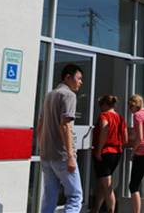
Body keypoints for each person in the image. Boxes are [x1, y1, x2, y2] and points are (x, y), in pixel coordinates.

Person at [37, 63, 84, 213]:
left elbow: (40, 125)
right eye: (78, 78)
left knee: (49, 196)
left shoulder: (49, 95)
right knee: (75, 196)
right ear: (68, 77)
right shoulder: (68, 95)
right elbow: (65, 126)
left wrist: (41, 148)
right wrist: (70, 156)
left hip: (47, 155)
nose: (81, 82)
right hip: (62, 155)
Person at [91, 94, 127, 213]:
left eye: (100, 105)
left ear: (105, 105)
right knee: (103, 182)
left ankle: (111, 210)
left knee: (107, 186)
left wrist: (99, 150)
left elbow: (104, 128)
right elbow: (125, 138)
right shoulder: (121, 118)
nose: (100, 108)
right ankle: (95, 209)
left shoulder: (104, 116)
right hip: (116, 153)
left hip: (105, 152)